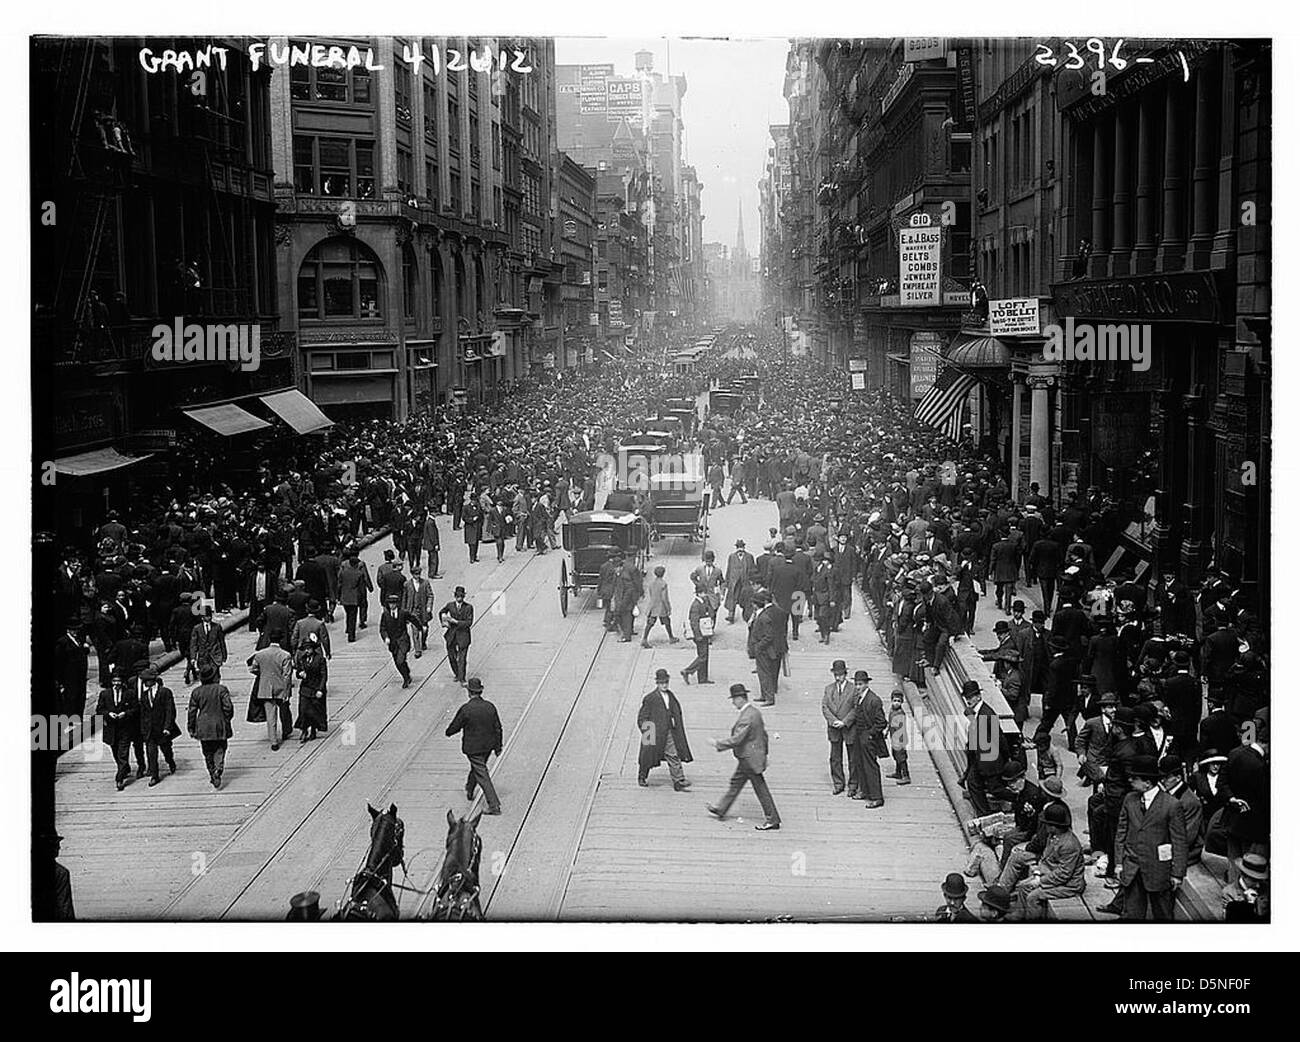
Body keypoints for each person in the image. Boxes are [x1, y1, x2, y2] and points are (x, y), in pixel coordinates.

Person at [1114, 754, 1188, 921]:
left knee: (1162, 915)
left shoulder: (1172, 805)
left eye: (1135, 778)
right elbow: (1121, 832)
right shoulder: (1130, 799)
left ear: (1147, 783)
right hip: (1132, 868)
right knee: (1132, 916)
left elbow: (1179, 841)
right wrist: (1119, 862)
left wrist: (1177, 873)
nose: (1130, 780)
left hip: (1159, 871)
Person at [706, 684, 781, 831]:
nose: (733, 702)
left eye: (734, 699)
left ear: (740, 699)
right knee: (736, 783)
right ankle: (721, 809)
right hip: (751, 757)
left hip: (749, 759)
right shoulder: (755, 712)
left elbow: (737, 739)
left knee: (760, 788)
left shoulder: (747, 717)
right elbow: (764, 736)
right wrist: (764, 754)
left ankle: (773, 819)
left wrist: (717, 744)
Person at [1008, 802, 1086, 921]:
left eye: (1047, 824)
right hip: (1051, 874)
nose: (1045, 827)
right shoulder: (1053, 836)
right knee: (1023, 887)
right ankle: (1020, 915)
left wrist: (1040, 881)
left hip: (1069, 884)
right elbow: (1045, 858)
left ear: (1054, 826)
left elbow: (1064, 874)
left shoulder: (1069, 845)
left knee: (1033, 897)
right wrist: (1037, 873)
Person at [445, 677, 503, 815]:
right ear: (480, 691)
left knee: (482, 773)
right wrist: (498, 746)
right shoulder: (490, 706)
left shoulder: (466, 709)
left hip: (473, 748)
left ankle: (494, 805)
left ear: (469, 692)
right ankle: (470, 788)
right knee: (478, 767)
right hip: (488, 746)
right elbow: (498, 728)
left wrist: (448, 732)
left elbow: (456, 726)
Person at [637, 668, 693, 791]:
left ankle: (678, 780)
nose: (664, 685)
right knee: (647, 756)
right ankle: (642, 776)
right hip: (652, 732)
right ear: (657, 683)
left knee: (673, 754)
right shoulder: (650, 698)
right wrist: (648, 732)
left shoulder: (670, 695)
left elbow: (675, 711)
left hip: (667, 731)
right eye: (662, 683)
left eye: (666, 682)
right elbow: (642, 717)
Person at [187, 662, 234, 790]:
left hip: (203, 725)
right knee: (220, 747)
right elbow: (228, 707)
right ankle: (219, 767)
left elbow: (192, 711)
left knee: (207, 751)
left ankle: (212, 771)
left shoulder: (196, 692)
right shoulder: (221, 689)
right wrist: (227, 719)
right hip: (219, 723)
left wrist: (191, 727)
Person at [961, 679, 1004, 816]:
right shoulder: (977, 712)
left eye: (971, 697)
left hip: (989, 759)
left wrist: (1004, 758)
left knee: (995, 788)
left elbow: (998, 738)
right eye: (966, 697)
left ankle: (1017, 797)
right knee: (973, 782)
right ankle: (984, 813)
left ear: (978, 696)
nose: (968, 700)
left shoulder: (987, 713)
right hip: (980, 757)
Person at [95, 675, 141, 790]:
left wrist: (125, 713)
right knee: (115, 752)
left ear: (122, 682)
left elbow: (136, 708)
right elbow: (99, 709)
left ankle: (119, 779)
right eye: (114, 681)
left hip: (125, 728)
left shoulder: (129, 693)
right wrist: (108, 714)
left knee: (123, 753)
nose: (116, 684)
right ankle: (124, 768)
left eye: (119, 681)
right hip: (111, 729)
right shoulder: (105, 694)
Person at [248, 641, 294, 750]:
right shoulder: (285, 655)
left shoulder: (260, 654)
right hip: (281, 688)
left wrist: (263, 674)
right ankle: (286, 731)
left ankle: (274, 742)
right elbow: (287, 675)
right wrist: (287, 691)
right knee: (284, 711)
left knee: (270, 716)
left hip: (266, 689)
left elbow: (253, 668)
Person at [136, 667, 179, 786]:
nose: (145, 683)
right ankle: (155, 775)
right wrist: (143, 729)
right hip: (149, 730)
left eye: (147, 680)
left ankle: (170, 762)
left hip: (162, 729)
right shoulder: (144, 695)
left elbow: (170, 710)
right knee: (151, 753)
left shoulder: (165, 692)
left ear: (153, 680)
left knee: (166, 750)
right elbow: (143, 713)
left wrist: (167, 727)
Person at [851, 669, 887, 808]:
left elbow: (882, 722)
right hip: (859, 736)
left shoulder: (874, 700)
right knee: (860, 763)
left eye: (860, 684)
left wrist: (870, 734)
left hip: (868, 738)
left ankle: (877, 797)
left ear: (866, 684)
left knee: (870, 766)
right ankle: (865, 791)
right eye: (856, 684)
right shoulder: (860, 698)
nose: (858, 687)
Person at [822, 660, 857, 795]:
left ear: (845, 674)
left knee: (853, 758)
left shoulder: (853, 689)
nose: (838, 677)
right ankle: (838, 783)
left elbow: (855, 708)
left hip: (849, 727)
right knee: (835, 757)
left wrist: (845, 721)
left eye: (841, 675)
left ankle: (853, 784)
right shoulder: (829, 689)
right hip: (834, 728)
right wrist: (834, 721)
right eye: (836, 674)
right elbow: (824, 707)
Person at [746, 591, 786, 707]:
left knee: (765, 673)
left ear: (755, 604)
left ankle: (769, 697)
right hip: (764, 649)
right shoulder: (764, 614)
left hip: (763, 649)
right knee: (763, 673)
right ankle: (764, 695)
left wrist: (758, 646)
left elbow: (769, 636)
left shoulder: (763, 617)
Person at [293, 631, 329, 742]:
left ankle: (313, 729)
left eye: (309, 649)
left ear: (313, 649)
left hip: (316, 688)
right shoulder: (302, 659)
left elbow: (324, 675)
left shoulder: (320, 659)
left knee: (314, 711)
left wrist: (320, 689)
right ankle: (304, 730)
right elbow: (298, 671)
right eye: (305, 649)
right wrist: (299, 674)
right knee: (303, 710)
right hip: (305, 689)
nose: (307, 651)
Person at [381, 593, 422, 688]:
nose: (391, 605)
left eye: (393, 603)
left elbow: (413, 619)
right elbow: (382, 628)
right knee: (397, 663)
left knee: (400, 660)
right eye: (390, 604)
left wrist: (420, 627)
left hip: (403, 640)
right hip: (392, 643)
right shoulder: (385, 615)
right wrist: (386, 637)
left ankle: (406, 679)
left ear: (397, 604)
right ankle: (406, 674)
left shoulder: (403, 613)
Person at [680, 584, 714, 685]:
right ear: (699, 593)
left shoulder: (703, 602)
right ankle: (688, 671)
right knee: (703, 656)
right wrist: (698, 635)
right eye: (703, 593)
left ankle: (702, 678)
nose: (705, 595)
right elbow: (693, 622)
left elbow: (710, 612)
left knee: (704, 655)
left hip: (704, 633)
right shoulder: (695, 605)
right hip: (699, 634)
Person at [440, 586, 474, 684]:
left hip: (463, 636)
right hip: (451, 635)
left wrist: (456, 622)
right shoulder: (450, 605)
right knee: (451, 657)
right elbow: (442, 612)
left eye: (461, 596)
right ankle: (457, 674)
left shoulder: (468, 607)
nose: (459, 598)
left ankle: (462, 678)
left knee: (462, 659)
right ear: (455, 596)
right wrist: (444, 620)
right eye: (458, 596)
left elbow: (469, 622)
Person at [338, 551, 373, 643]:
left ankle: (348, 628)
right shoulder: (359, 574)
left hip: (345, 597)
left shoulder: (343, 572)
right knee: (353, 616)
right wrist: (365, 593)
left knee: (348, 613)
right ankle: (351, 635)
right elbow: (362, 587)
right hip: (354, 597)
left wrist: (338, 596)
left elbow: (339, 585)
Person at [641, 565, 679, 647]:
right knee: (667, 622)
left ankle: (644, 638)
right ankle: (671, 637)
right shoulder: (663, 584)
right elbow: (664, 598)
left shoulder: (651, 583)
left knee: (650, 623)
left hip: (653, 605)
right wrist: (668, 607)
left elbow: (651, 594)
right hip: (661, 606)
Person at [188, 605, 227, 682]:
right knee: (205, 676)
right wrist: (193, 657)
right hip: (203, 657)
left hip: (215, 656)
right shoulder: (197, 628)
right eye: (206, 616)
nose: (209, 618)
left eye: (210, 616)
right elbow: (193, 644)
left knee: (216, 676)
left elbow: (221, 642)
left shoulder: (217, 627)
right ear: (202, 617)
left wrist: (224, 655)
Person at [403, 563, 434, 657]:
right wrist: (404, 611)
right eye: (416, 574)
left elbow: (430, 595)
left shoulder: (425, 583)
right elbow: (404, 598)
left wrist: (429, 606)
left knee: (425, 629)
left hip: (423, 610)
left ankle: (423, 642)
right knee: (415, 630)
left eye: (419, 574)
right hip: (412, 611)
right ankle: (417, 649)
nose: (417, 576)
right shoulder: (407, 584)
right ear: (412, 575)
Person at [723, 539, 756, 624]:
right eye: (739, 547)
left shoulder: (749, 556)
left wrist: (753, 581)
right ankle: (731, 615)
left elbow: (753, 569)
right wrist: (727, 581)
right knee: (732, 598)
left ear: (744, 547)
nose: (740, 549)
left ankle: (748, 615)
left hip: (745, 581)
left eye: (742, 547)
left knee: (747, 598)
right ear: (736, 548)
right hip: (735, 582)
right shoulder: (732, 556)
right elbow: (729, 569)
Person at [886, 688, 911, 785]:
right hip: (894, 737)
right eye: (894, 701)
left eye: (898, 701)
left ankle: (906, 775)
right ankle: (898, 772)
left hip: (899, 739)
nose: (896, 703)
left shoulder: (900, 713)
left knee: (901, 757)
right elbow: (890, 723)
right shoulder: (892, 711)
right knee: (896, 755)